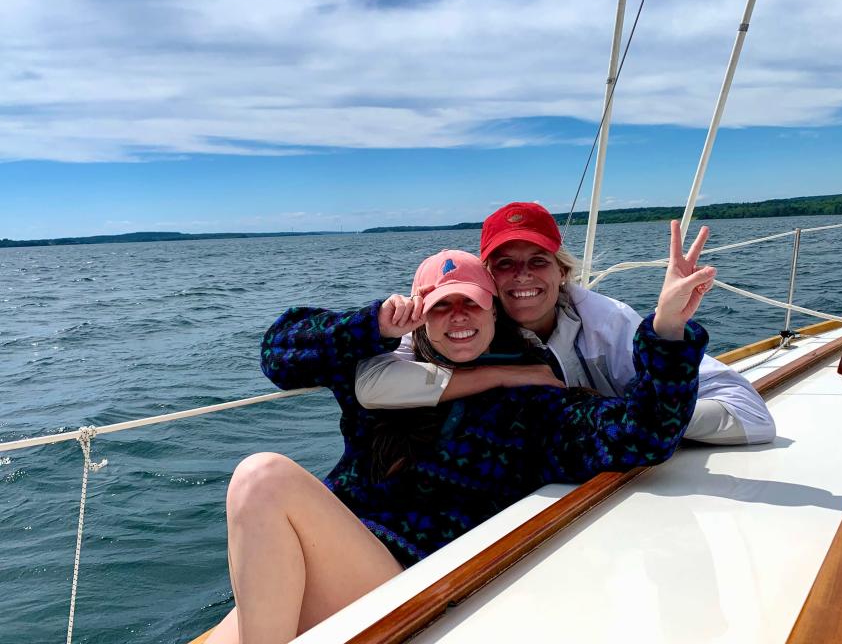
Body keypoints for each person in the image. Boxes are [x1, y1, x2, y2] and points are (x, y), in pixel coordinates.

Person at [206, 223, 713, 644]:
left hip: (416, 582)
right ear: (418, 317)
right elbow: (278, 353)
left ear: (494, 310)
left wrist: (667, 331)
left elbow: (645, 434)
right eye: (441, 307)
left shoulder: (533, 402)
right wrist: (372, 325)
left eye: (470, 304)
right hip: (341, 551)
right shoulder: (378, 371)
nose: (458, 318)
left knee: (262, 477)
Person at [357, 202, 774, 445]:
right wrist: (500, 375)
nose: (522, 275)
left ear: (562, 273)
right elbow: (374, 382)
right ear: (486, 279)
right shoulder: (464, 325)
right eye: (505, 264)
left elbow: (752, 415)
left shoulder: (607, 324)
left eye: (538, 262)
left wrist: (664, 332)